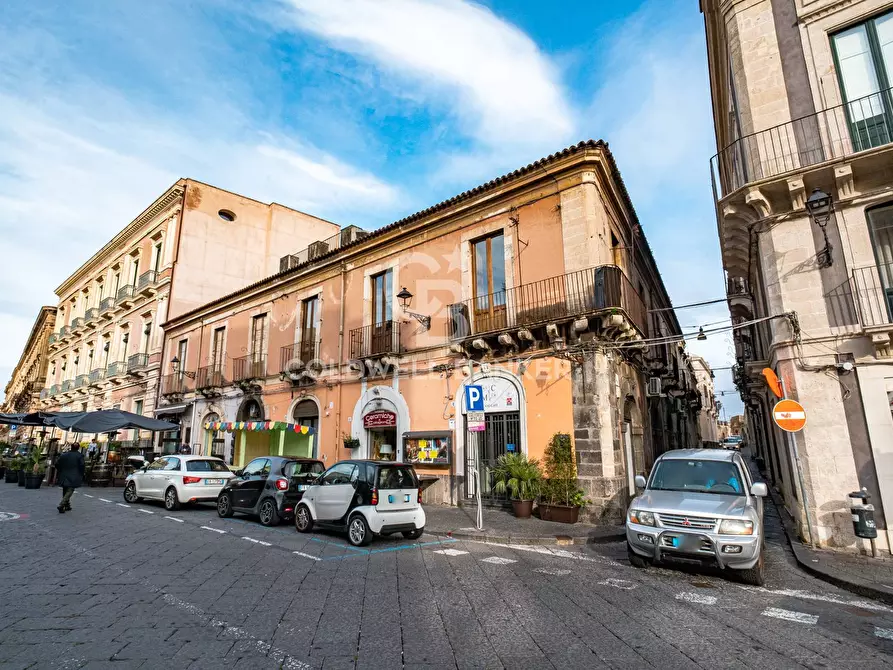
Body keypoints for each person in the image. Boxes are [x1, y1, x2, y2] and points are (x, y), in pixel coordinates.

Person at [56, 443, 85, 513]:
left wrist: (61, 471)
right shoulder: (79, 456)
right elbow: (82, 465)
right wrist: (82, 473)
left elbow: (57, 464)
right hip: (74, 474)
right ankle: (62, 504)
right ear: (78, 448)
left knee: (65, 488)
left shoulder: (64, 455)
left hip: (64, 474)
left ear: (71, 447)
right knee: (70, 489)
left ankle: (67, 505)